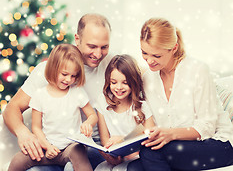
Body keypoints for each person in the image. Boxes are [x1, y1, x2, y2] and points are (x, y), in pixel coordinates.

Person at [3, 13, 112, 171]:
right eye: (92, 46)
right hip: (51, 146)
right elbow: (11, 108)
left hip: (89, 146)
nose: (98, 54)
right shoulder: (48, 71)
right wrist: (24, 133)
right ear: (77, 39)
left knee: (74, 163)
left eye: (104, 47)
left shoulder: (112, 66)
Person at [135, 17, 233, 171]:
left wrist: (171, 134)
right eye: (144, 53)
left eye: (157, 56)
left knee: (151, 154)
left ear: (174, 48)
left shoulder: (198, 70)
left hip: (217, 143)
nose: (149, 60)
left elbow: (207, 127)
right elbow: (148, 121)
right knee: (135, 167)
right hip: (176, 147)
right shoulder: (148, 79)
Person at [8, 44, 98, 171]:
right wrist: (47, 146)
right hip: (47, 148)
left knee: (78, 152)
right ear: (53, 68)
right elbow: (36, 128)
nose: (69, 80)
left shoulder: (77, 92)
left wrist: (88, 123)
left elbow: (92, 115)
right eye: (65, 74)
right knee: (18, 160)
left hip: (70, 147)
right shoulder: (40, 95)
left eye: (73, 76)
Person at [95, 54, 155, 171]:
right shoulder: (102, 101)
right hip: (115, 157)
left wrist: (122, 139)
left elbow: (150, 137)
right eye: (113, 82)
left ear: (133, 82)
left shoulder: (142, 105)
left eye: (125, 83)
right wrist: (110, 155)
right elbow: (105, 139)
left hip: (136, 158)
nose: (119, 87)